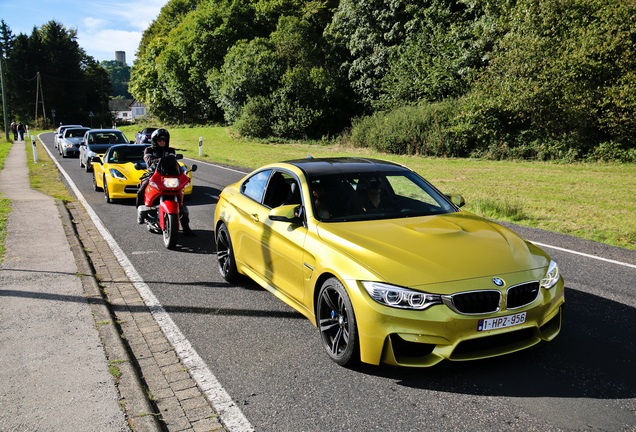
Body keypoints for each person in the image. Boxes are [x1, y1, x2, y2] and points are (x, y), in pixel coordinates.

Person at [136, 128, 193, 234]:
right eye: (159, 140)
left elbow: (174, 162)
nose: (162, 142)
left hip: (169, 176)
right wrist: (163, 160)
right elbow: (149, 162)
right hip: (154, 175)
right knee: (141, 189)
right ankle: (141, 213)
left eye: (164, 140)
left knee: (181, 198)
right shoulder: (149, 150)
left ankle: (186, 227)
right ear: (154, 141)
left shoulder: (170, 150)